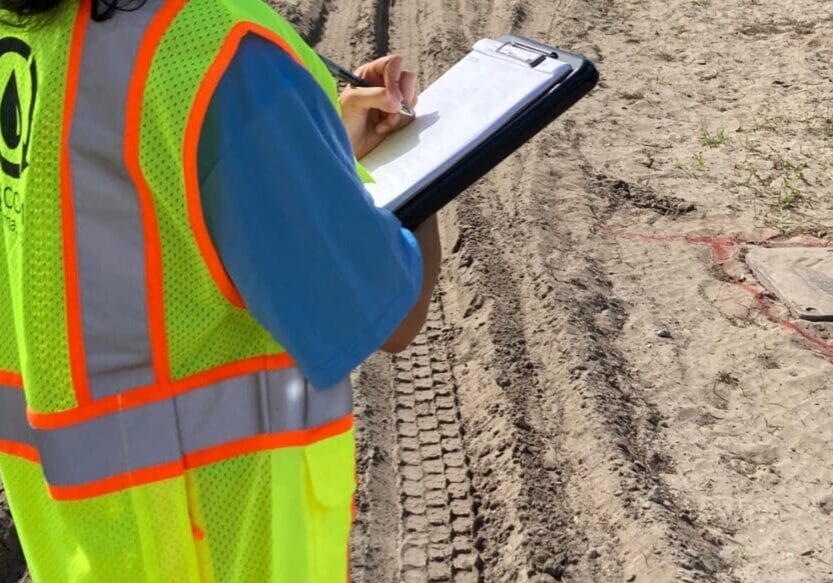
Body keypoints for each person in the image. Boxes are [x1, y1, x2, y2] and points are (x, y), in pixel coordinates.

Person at [0, 0, 441, 581]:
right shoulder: (219, 51)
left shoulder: (29, 28)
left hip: (92, 544)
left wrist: (306, 154)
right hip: (224, 546)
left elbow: (133, 200)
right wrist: (428, 171)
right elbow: (384, 313)